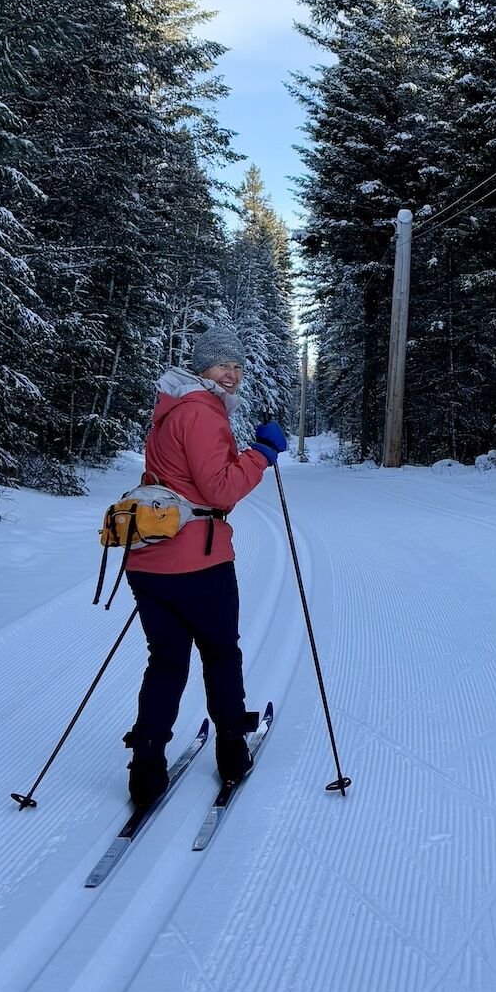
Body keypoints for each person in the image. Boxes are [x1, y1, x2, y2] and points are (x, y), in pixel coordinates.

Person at [123, 322, 288, 807]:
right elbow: (219, 490)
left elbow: (184, 477)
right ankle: (232, 750)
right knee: (220, 653)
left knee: (167, 661)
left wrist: (241, 454)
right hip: (198, 560)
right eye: (223, 364)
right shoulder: (201, 411)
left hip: (149, 561)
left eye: (238, 365)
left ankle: (146, 767)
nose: (233, 374)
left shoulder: (170, 408)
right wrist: (261, 455)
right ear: (202, 368)